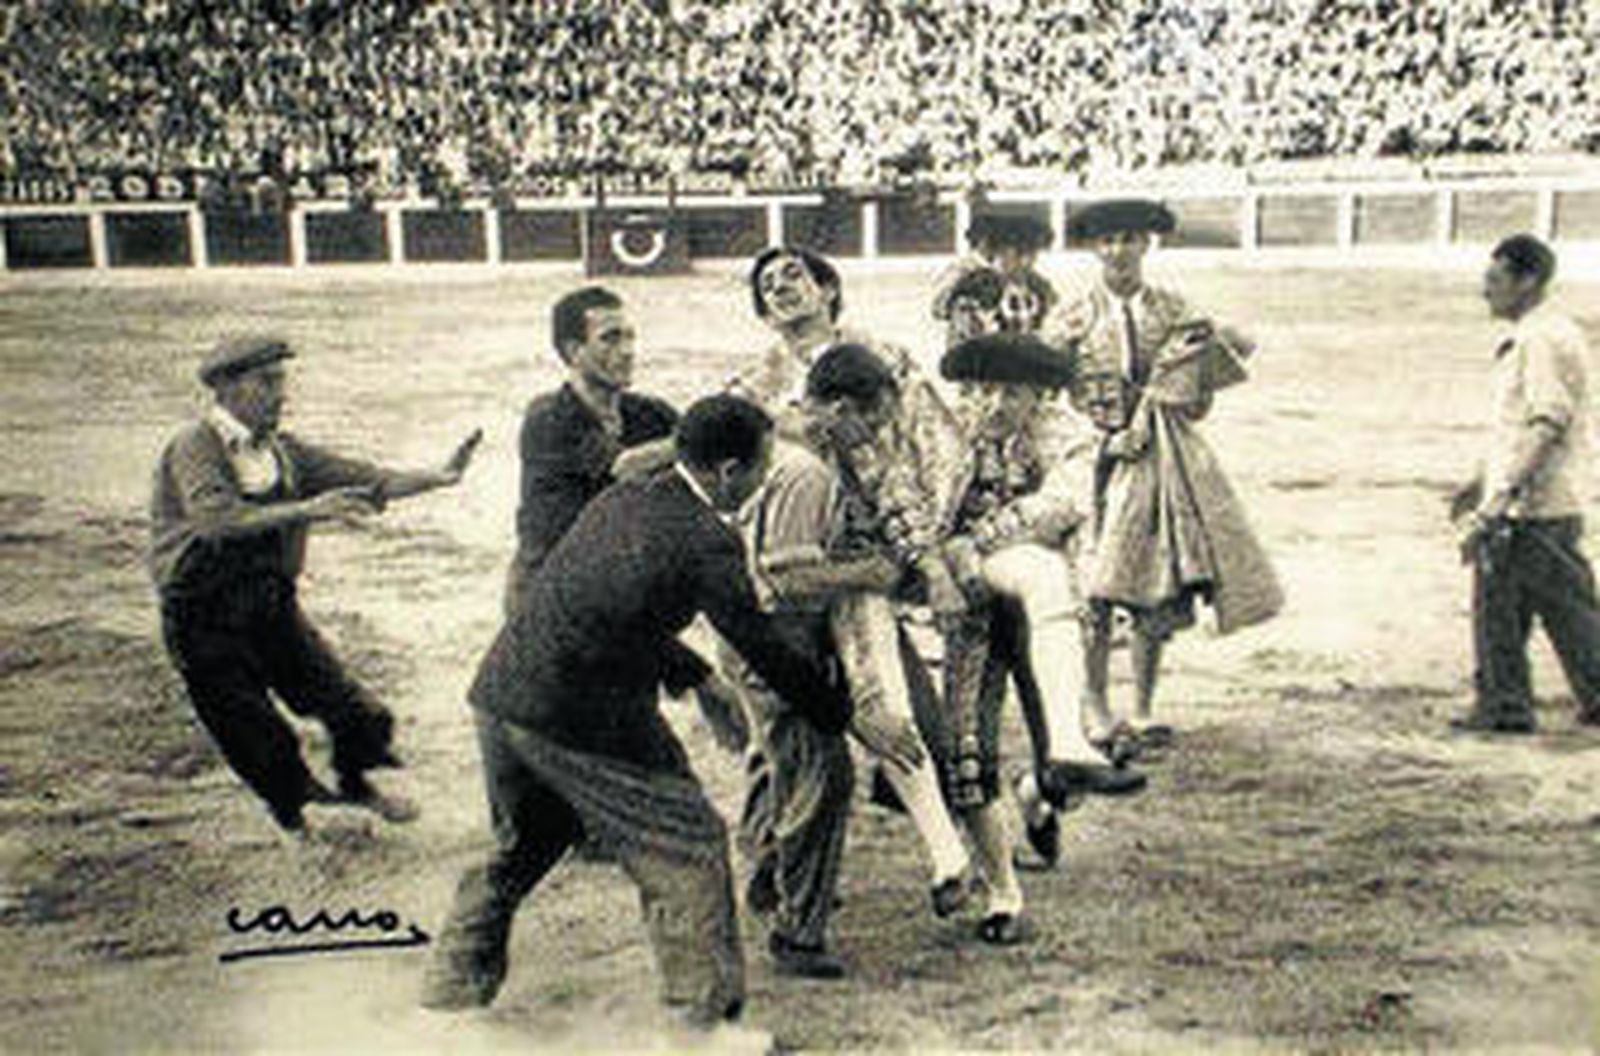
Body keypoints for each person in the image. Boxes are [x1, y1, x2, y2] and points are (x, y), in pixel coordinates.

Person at [420, 396, 857, 1036]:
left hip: (502, 691)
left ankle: (446, 999)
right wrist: (839, 713)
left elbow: (605, 605)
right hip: (579, 711)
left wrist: (699, 677)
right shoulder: (709, 539)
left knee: (527, 842)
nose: (766, 481)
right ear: (730, 471)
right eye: (763, 469)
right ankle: (698, 1029)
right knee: (688, 843)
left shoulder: (626, 498)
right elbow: (760, 643)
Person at [149, 335, 480, 838]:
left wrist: (437, 477)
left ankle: (355, 787)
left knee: (354, 710)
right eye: (267, 383)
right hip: (202, 617)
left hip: (270, 608)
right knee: (254, 730)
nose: (281, 394)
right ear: (228, 389)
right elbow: (216, 521)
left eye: (281, 381)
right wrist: (307, 509)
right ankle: (299, 823)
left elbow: (366, 480)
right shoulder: (195, 444)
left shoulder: (286, 452)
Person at [1049, 198, 1282, 760]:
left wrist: (1172, 402)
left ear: (1146, 244)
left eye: (1128, 238)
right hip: (1091, 462)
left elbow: (1215, 373)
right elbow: (1050, 403)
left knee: (1156, 583)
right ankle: (1097, 704)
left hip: (1156, 461)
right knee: (1095, 587)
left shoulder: (1177, 311)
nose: (1118, 250)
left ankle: (1145, 706)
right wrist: (1102, 438)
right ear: (1093, 248)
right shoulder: (1069, 318)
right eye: (1107, 240)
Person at [1449, 234, 1600, 734]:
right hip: (1542, 496)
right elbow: (1519, 425)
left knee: (1538, 606)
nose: (1485, 291)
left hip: (1534, 500)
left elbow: (1545, 421)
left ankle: (1505, 704)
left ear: (1527, 280)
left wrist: (1501, 494)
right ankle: (1504, 703)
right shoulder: (1548, 332)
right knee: (1526, 602)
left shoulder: (1539, 338)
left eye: (1495, 279)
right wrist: (1482, 479)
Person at [503, 285, 678, 614]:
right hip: (547, 596)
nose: (627, 351)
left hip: (618, 587)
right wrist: (707, 432)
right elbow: (624, 466)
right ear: (573, 351)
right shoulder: (548, 417)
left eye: (630, 338)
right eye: (611, 339)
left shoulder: (650, 413)